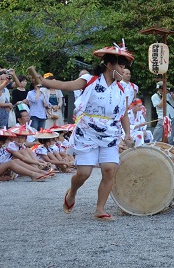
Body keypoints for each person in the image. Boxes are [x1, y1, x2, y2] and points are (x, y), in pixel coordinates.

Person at [37, 40, 134, 220]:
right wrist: (44, 81)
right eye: (121, 66)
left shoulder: (123, 89)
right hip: (87, 131)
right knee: (84, 173)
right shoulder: (89, 80)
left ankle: (100, 209)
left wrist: (127, 134)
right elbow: (66, 85)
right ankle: (72, 192)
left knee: (109, 170)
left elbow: (124, 114)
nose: (124, 71)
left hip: (110, 133)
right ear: (109, 64)